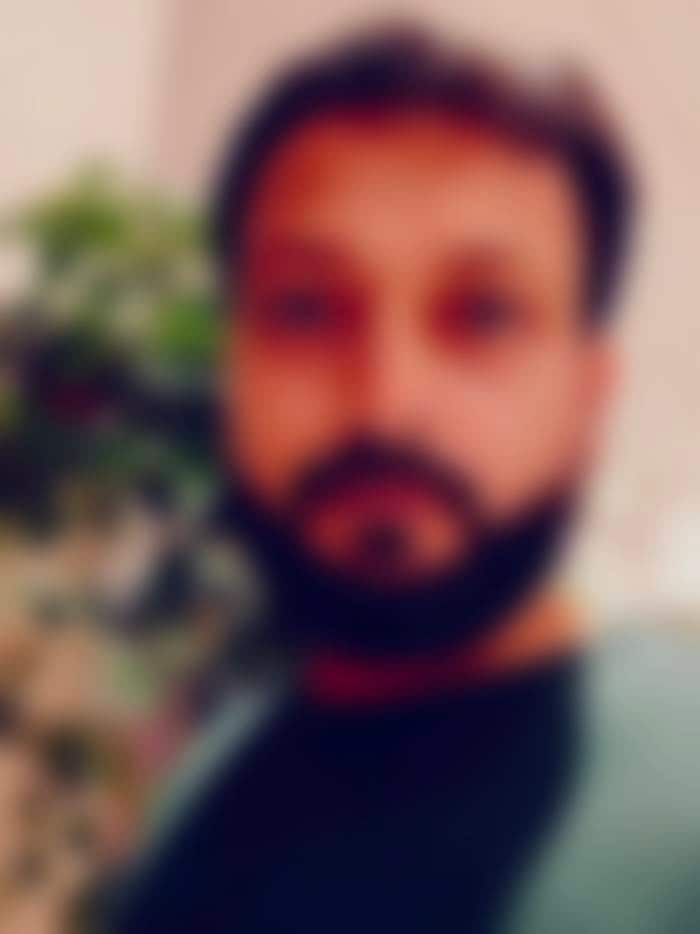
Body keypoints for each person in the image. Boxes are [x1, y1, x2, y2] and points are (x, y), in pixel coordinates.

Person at [108, 25, 700, 933]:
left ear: (587, 399)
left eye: (484, 314)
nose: (386, 403)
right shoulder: (195, 806)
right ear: (232, 371)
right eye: (306, 308)